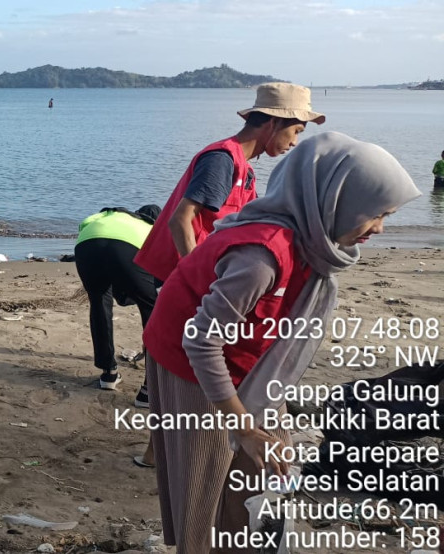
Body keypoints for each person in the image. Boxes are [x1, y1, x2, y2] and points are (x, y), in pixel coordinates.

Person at [142, 132, 419, 553]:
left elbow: (271, 330)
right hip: (187, 356)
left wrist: (261, 417)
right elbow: (200, 342)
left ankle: (240, 544)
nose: (379, 228)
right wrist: (244, 424)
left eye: (388, 216)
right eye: (375, 214)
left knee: (265, 468)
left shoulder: (313, 243)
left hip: (245, 354)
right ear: (335, 200)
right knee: (206, 477)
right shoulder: (262, 257)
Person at [132, 82, 325, 410]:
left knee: (188, 345)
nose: (295, 142)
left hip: (200, 269)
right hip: (184, 269)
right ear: (272, 122)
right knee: (185, 347)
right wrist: (194, 274)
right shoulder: (222, 159)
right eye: (295, 131)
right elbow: (181, 220)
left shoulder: (244, 168)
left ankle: (158, 415)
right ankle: (160, 404)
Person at [73, 205, 161, 392]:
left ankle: (108, 374)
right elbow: (157, 275)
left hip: (86, 244)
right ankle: (149, 388)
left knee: (99, 303)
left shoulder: (107, 216)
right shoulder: (152, 228)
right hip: (124, 248)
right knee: (153, 309)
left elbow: (87, 231)